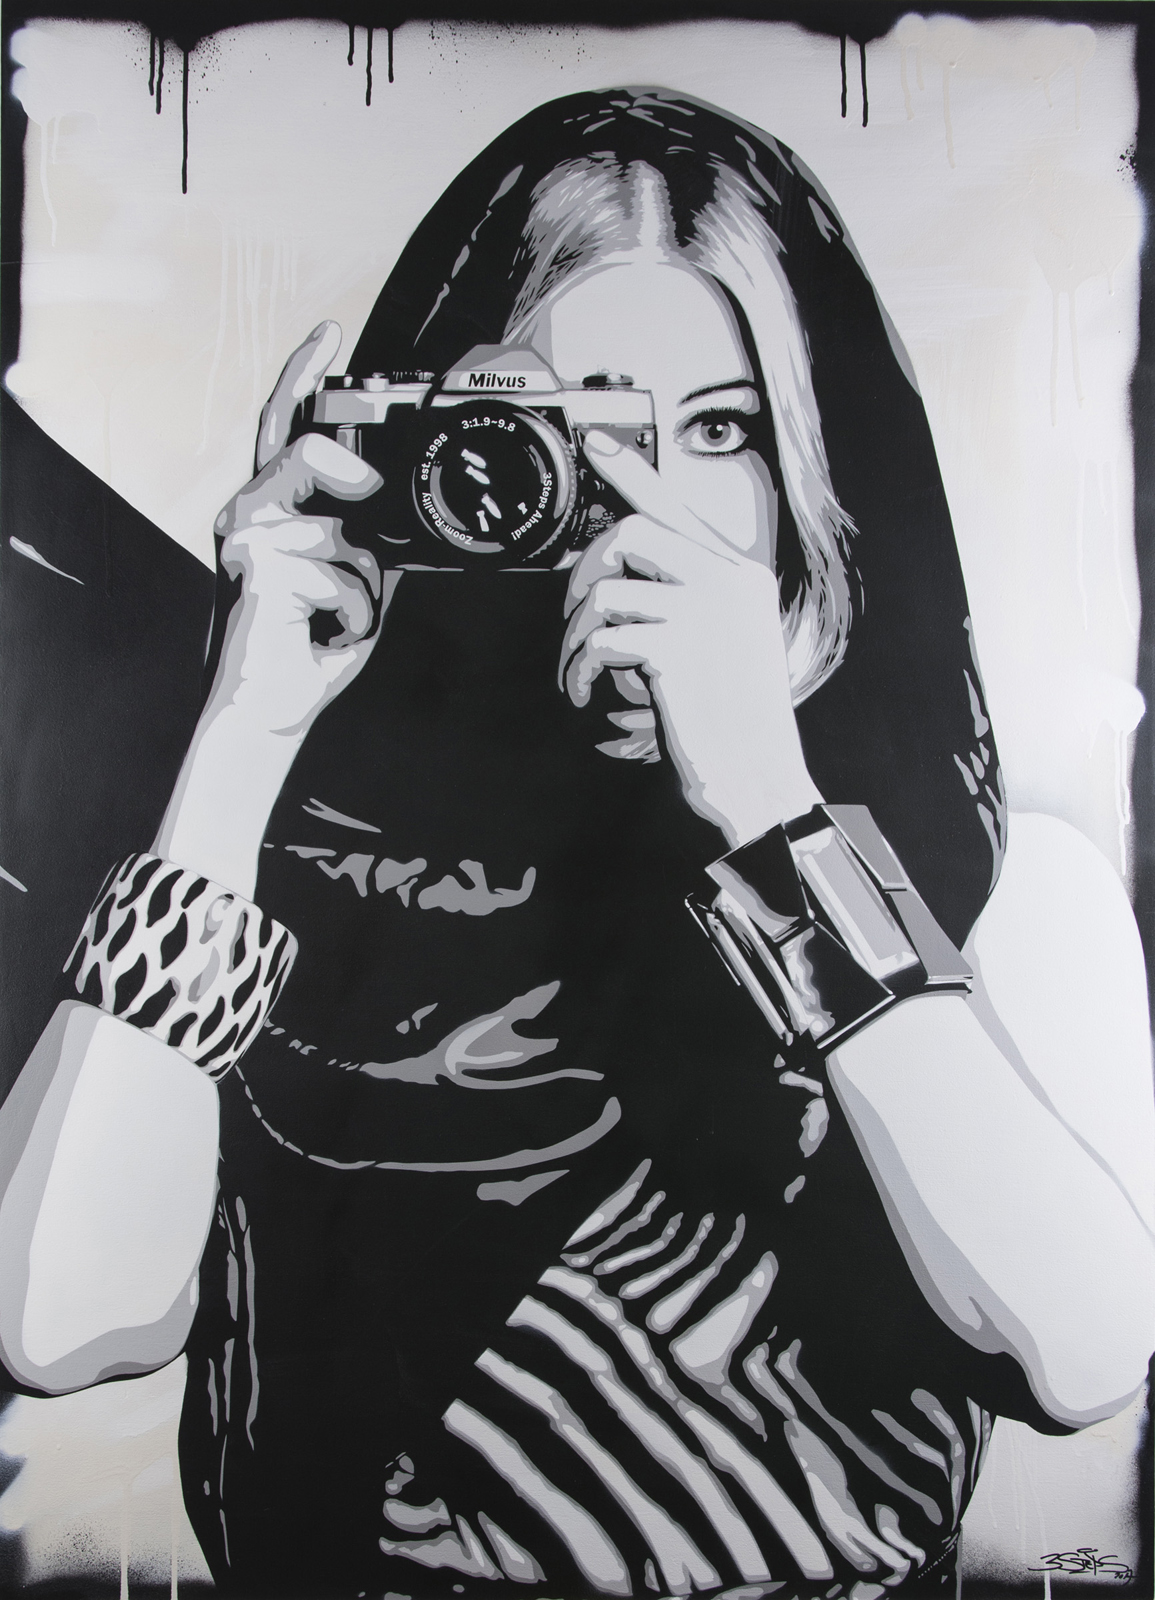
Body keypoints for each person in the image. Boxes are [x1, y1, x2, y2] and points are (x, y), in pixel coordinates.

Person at [0, 88, 1152, 1600]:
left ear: (826, 473)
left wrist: (774, 811)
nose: (642, 508)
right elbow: (59, 1323)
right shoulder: (271, 882)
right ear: (443, 459)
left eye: (720, 431)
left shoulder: (1005, 895)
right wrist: (245, 735)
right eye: (570, 431)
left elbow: (1083, 1352)